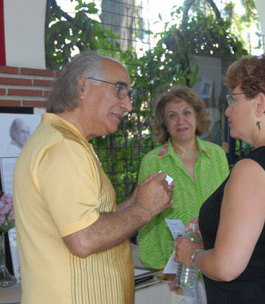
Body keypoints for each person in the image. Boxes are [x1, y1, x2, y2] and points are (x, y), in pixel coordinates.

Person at [13, 52, 174, 304]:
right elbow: (84, 239)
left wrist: (133, 203)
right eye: (120, 90)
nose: (128, 105)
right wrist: (144, 209)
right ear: (82, 86)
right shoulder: (64, 147)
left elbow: (84, 222)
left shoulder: (66, 141)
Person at [173, 53, 265, 303]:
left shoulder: (252, 169)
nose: (229, 109)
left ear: (259, 104)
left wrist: (191, 254)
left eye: (234, 98)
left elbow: (226, 267)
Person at [137, 85, 229, 270]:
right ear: (165, 124)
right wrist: (160, 266)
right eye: (172, 115)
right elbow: (145, 218)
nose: (181, 121)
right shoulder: (153, 162)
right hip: (174, 267)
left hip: (215, 261)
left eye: (187, 113)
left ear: (197, 117)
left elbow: (229, 205)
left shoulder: (217, 154)